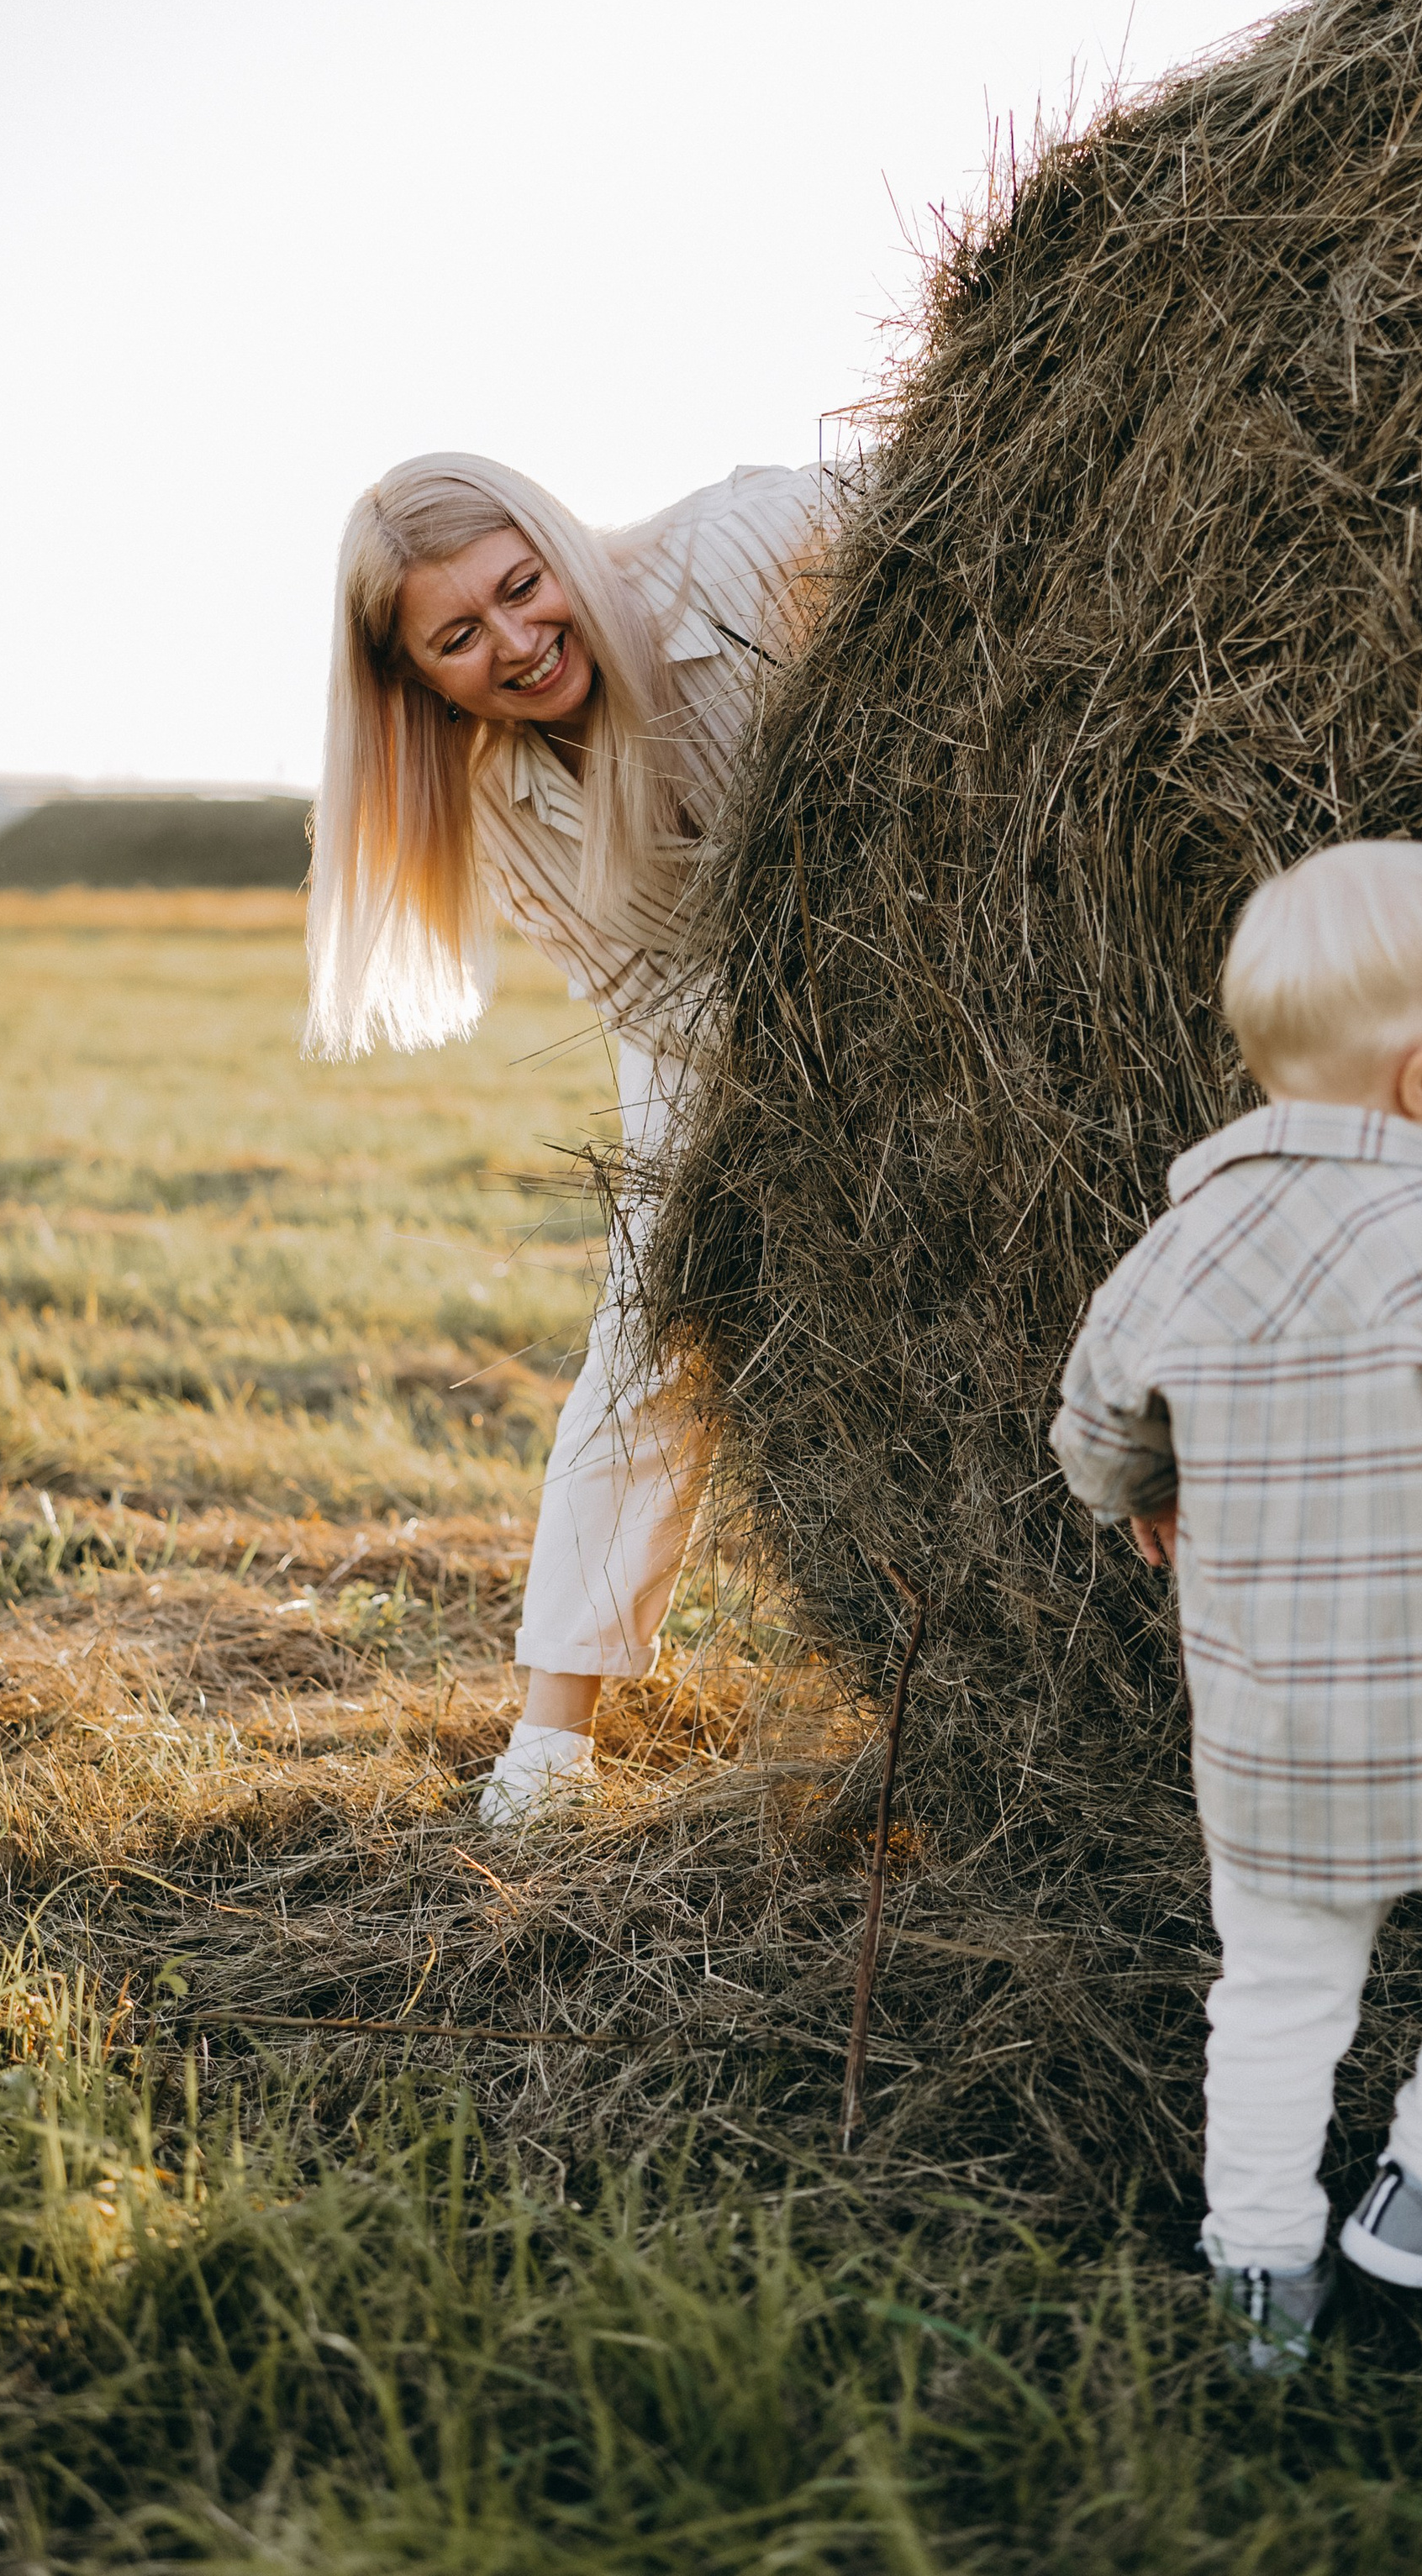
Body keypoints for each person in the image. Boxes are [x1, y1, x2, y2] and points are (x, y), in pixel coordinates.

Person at [1049, 839, 1422, 2370]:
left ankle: (1260, 2272)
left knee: (1276, 2000)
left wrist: (1146, 1496)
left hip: (1267, 1743)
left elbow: (1094, 1419)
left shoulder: (1181, 1243)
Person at [305, 448, 840, 1826]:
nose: (517, 643)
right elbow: (658, 1000)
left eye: (521, 587)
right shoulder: (495, 803)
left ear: (556, 542)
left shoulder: (751, 545)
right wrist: (826, 1070)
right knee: (648, 1322)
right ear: (419, 683)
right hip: (709, 1026)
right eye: (459, 639)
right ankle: (551, 1738)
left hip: (927, 941)